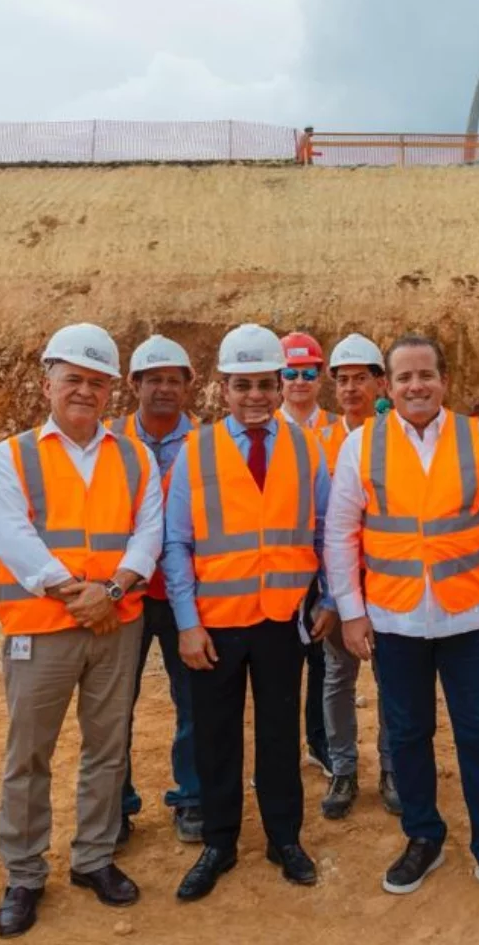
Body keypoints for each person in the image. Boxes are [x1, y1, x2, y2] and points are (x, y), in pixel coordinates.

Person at [324, 333, 479, 910]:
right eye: (403, 378)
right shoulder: (361, 447)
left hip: (468, 618)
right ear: (386, 388)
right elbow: (341, 534)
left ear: (444, 380)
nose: (415, 386)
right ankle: (423, 836)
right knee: (409, 733)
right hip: (393, 621)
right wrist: (351, 612)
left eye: (426, 375)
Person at [0, 323, 163, 938]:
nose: (84, 391)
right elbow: (14, 536)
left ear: (111, 390)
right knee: (27, 755)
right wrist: (81, 595)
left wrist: (110, 593)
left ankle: (93, 858)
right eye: (73, 380)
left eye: (95, 382)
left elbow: (149, 533)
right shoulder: (13, 454)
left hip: (115, 622)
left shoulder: (135, 456)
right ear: (48, 384)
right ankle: (25, 873)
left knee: (107, 749)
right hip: (44, 625)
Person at [165, 324, 337, 902]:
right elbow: (177, 544)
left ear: (283, 382)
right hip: (215, 626)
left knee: (279, 735)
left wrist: (332, 599)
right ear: (224, 388)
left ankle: (284, 838)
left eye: (268, 383)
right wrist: (187, 622)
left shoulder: (307, 448)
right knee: (215, 737)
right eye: (244, 386)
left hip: (281, 622)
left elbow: (324, 533)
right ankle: (219, 841)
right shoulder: (197, 451)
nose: (257, 396)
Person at [111, 335, 202, 846]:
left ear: (189, 386)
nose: (164, 388)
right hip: (122, 594)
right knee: (115, 703)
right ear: (134, 385)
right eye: (154, 379)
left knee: (192, 701)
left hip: (184, 595)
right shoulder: (110, 441)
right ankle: (116, 803)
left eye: (174, 379)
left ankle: (192, 797)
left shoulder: (208, 444)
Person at [317, 333, 399, 820]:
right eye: (342, 380)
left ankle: (391, 769)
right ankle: (343, 769)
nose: (350, 389)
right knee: (337, 678)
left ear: (379, 383)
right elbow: (318, 525)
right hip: (338, 588)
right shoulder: (318, 442)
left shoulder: (398, 435)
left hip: (391, 583)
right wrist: (330, 595)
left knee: (392, 682)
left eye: (360, 379)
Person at [278, 330, 334, 777]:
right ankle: (277, 753)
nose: (299, 381)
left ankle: (321, 741)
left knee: (323, 657)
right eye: (291, 373)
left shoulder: (335, 431)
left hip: (322, 560)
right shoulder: (265, 429)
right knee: (277, 663)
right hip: (277, 561)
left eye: (308, 373)